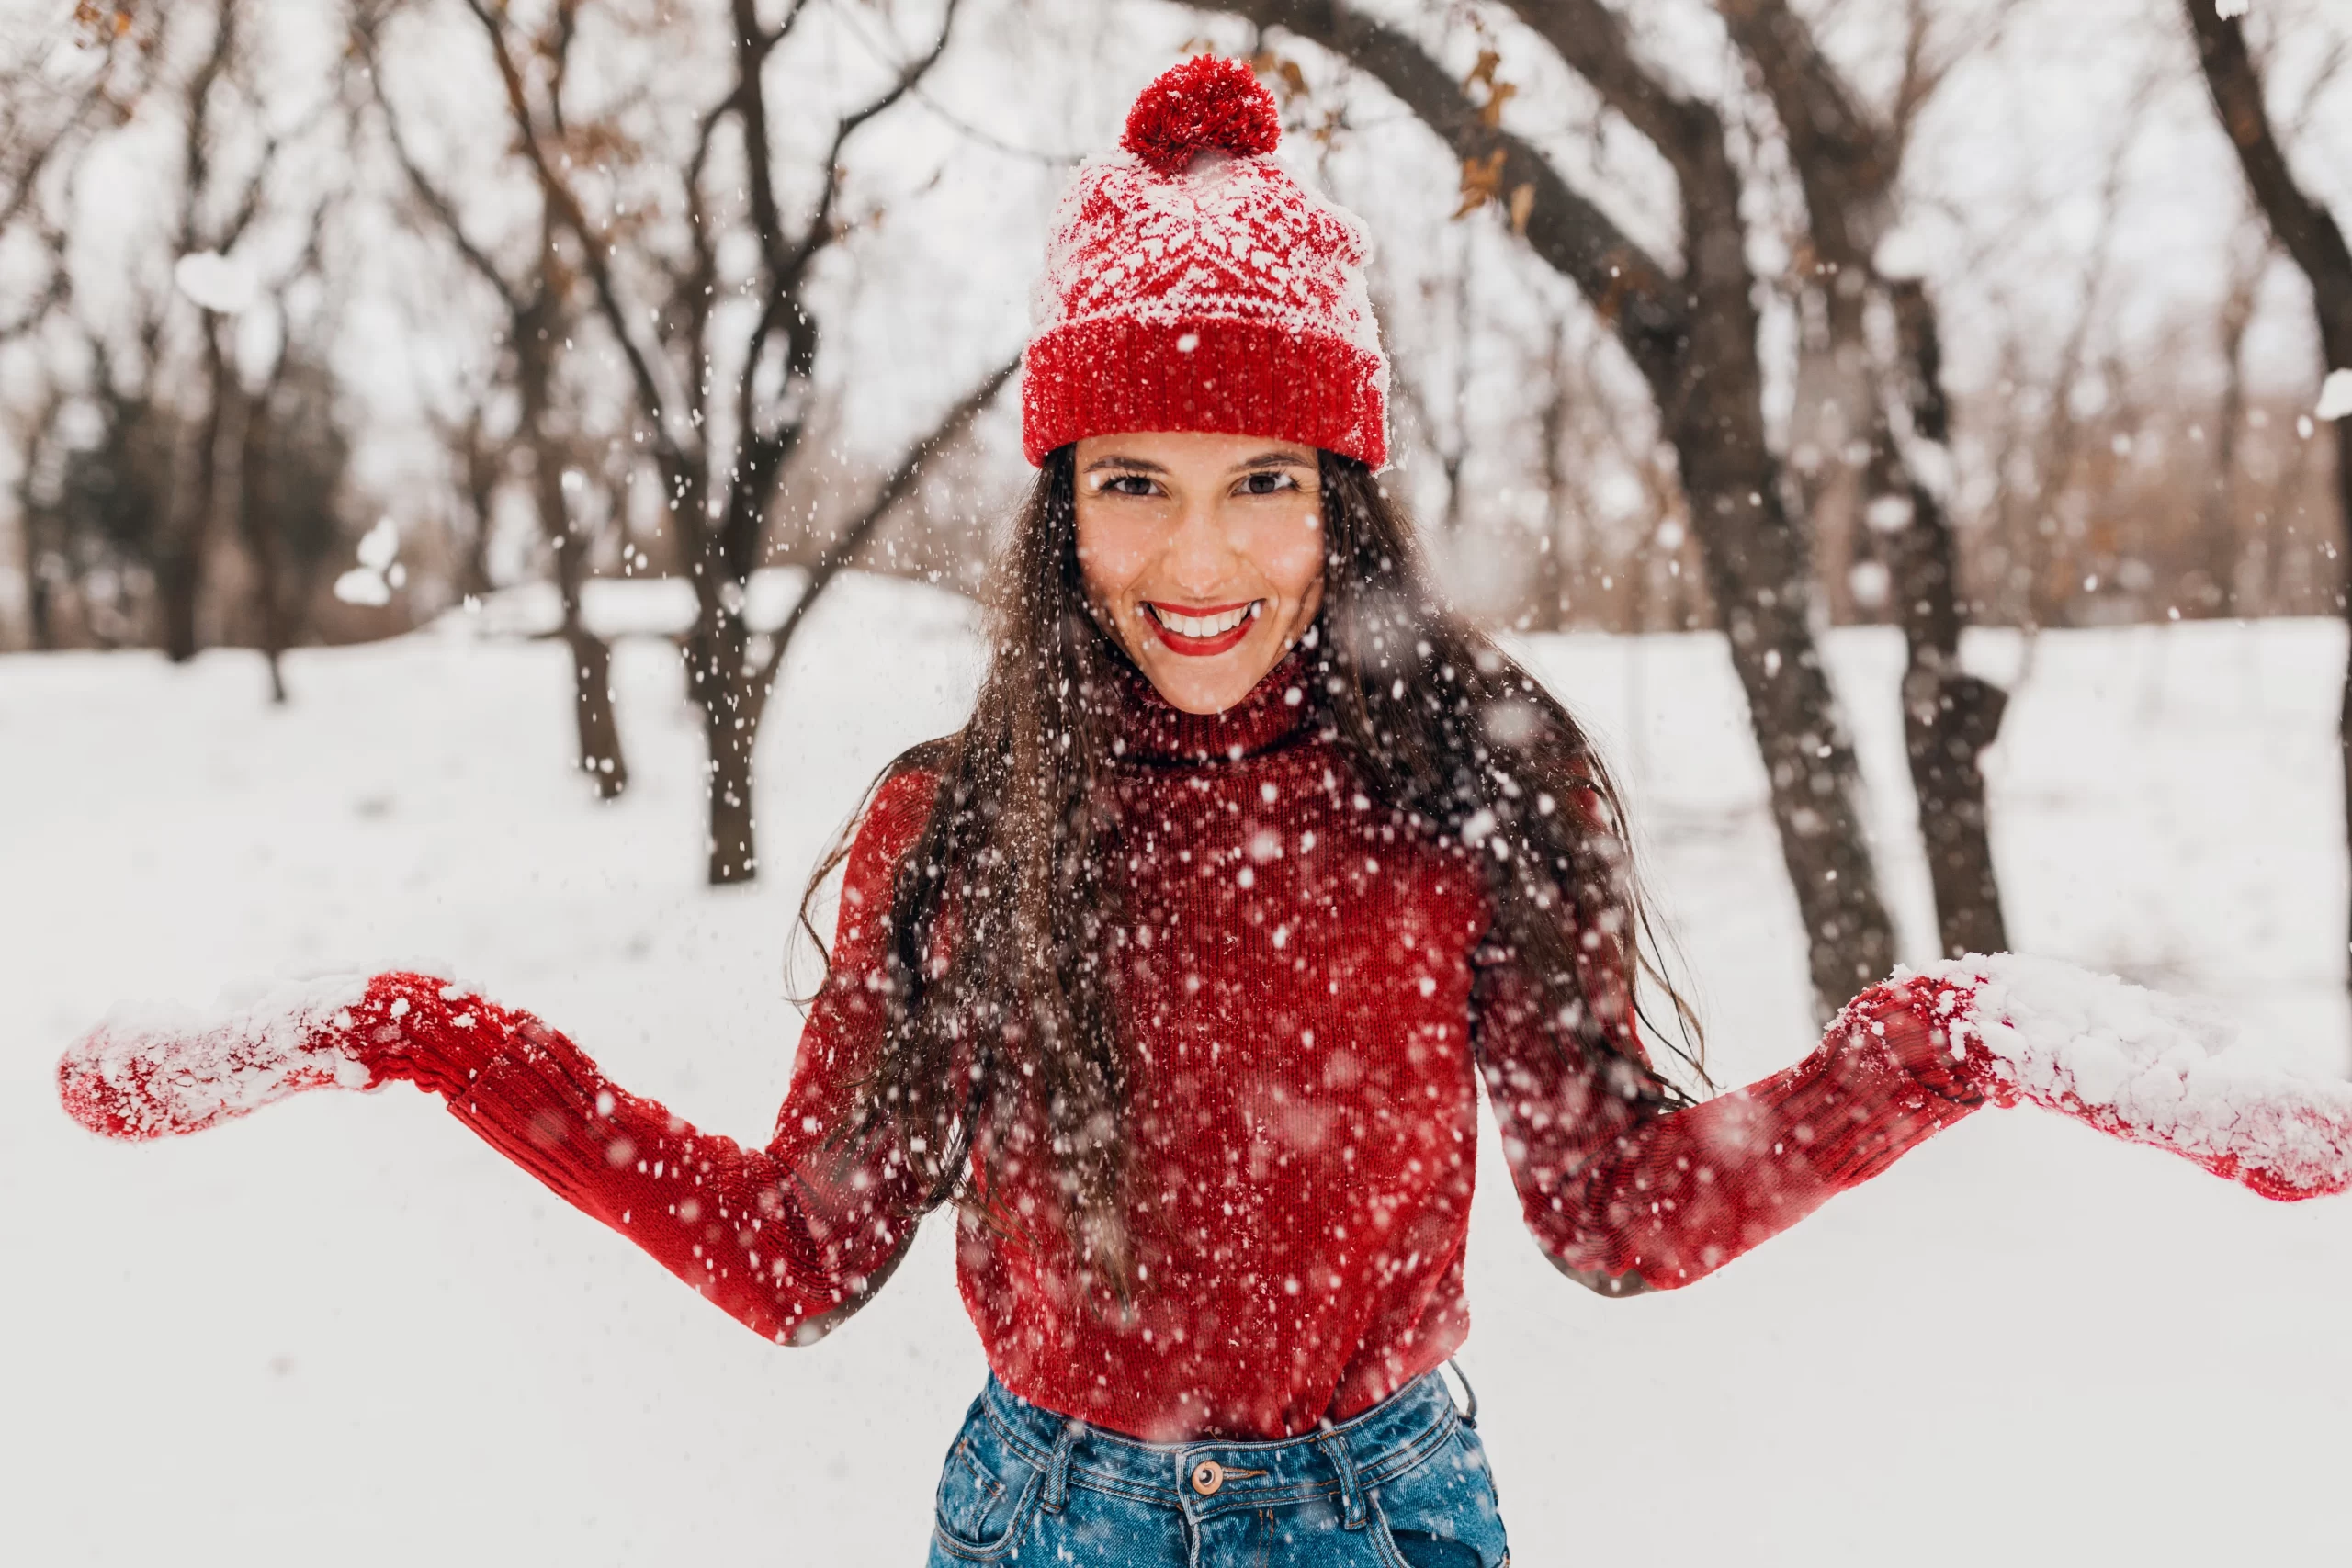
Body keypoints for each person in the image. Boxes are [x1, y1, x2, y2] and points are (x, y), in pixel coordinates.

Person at [56, 55, 2349, 1568]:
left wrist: (1970, 1036)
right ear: (1058, 509)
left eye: (1266, 484)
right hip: (1036, 1515)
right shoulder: (958, 833)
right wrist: (406, 1027)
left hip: (1384, 1513)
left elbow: (1625, 1212)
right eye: (1133, 485)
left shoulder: (1470, 780)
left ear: (1345, 500)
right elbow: (794, 1258)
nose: (1197, 559)